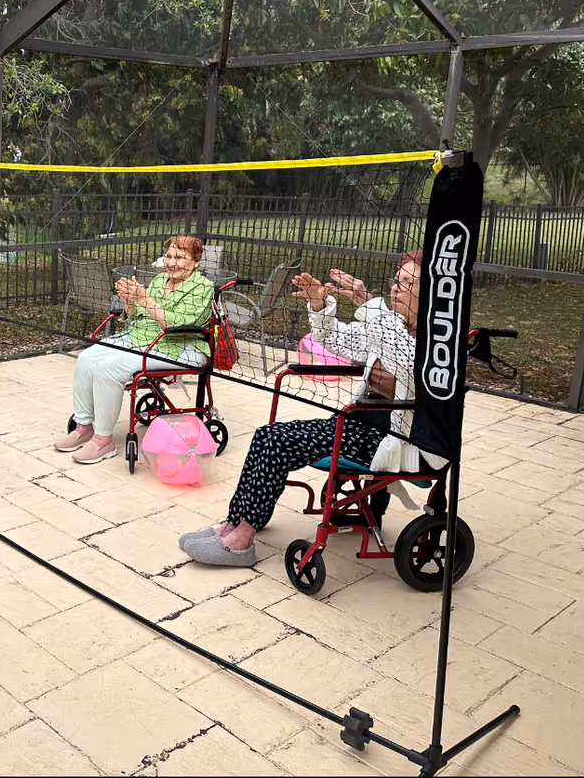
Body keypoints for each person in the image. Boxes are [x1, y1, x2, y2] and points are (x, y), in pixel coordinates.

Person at [181, 251, 441, 568]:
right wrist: (318, 304)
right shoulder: (393, 324)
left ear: (432, 294)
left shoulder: (437, 344)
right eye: (396, 281)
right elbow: (336, 339)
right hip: (361, 425)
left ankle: (241, 541)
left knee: (278, 442)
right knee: (265, 436)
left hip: (395, 440)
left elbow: (405, 360)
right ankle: (235, 523)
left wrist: (370, 307)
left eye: (407, 283)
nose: (396, 289)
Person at [56, 235, 214, 464]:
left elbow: (177, 325)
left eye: (180, 257)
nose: (172, 263)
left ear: (196, 262)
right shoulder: (160, 281)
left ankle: (103, 441)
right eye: (169, 256)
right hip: (139, 338)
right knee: (87, 358)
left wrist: (145, 300)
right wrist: (130, 301)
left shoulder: (202, 287)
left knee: (108, 369)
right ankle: (84, 427)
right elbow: (136, 317)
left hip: (178, 346)